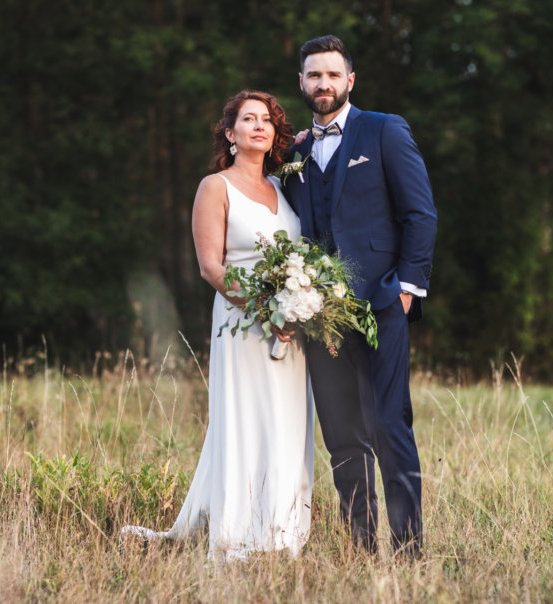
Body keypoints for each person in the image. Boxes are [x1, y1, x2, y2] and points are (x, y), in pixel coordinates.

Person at [121, 90, 314, 562]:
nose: (258, 126)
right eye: (248, 119)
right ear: (230, 134)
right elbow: (212, 267)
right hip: (243, 322)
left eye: (266, 120)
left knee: (288, 423)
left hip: (291, 328)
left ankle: (282, 529)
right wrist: (266, 309)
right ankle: (237, 534)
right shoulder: (215, 187)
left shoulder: (283, 186)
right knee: (246, 420)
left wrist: (294, 309)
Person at [282, 35, 437, 557]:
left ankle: (410, 549)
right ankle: (362, 550)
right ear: (301, 83)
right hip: (318, 317)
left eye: (332, 74)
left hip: (381, 305)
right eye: (313, 75)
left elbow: (420, 213)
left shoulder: (384, 131)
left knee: (389, 424)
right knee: (342, 435)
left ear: (350, 80)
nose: (322, 83)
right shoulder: (295, 153)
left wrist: (408, 290)